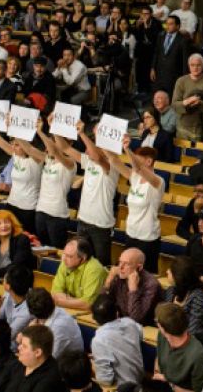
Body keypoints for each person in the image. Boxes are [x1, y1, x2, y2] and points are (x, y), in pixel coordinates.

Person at [54, 120, 119, 264]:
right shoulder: (88, 161)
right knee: (79, 262)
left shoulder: (111, 166)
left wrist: (82, 133)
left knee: (101, 265)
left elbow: (97, 157)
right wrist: (54, 127)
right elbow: (64, 147)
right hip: (83, 220)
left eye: (93, 145)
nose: (87, 149)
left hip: (101, 225)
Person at [107, 139, 164, 271]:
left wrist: (127, 149)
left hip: (147, 238)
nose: (133, 163)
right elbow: (114, 160)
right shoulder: (135, 177)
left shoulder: (158, 181)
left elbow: (137, 167)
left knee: (145, 275)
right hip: (131, 234)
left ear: (149, 161)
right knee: (127, 271)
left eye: (136, 159)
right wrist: (101, 139)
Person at [152, 302, 203, 392]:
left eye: (157, 322)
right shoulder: (162, 336)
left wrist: (170, 383)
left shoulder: (197, 354)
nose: (156, 323)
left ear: (164, 329)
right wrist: (157, 371)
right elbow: (159, 356)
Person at [89, 295, 144, 387]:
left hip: (121, 388)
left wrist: (93, 365)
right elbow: (139, 334)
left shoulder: (99, 340)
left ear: (95, 319)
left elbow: (106, 380)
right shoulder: (130, 323)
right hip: (139, 381)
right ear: (117, 313)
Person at [51, 236, 108, 311]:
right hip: (73, 309)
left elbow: (87, 304)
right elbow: (55, 293)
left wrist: (61, 301)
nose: (64, 259)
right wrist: (77, 302)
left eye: (69, 256)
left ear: (83, 258)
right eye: (64, 254)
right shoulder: (65, 263)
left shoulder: (94, 270)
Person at [173, 53, 203, 142]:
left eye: (198, 65)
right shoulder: (181, 81)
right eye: (192, 65)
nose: (195, 68)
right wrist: (186, 102)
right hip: (183, 127)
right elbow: (174, 105)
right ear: (189, 66)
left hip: (201, 127)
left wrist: (200, 103)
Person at [164, 256, 203, 340]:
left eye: (171, 271)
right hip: (171, 337)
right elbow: (163, 318)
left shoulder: (198, 297)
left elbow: (193, 329)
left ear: (179, 276)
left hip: (190, 342)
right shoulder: (171, 290)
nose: (167, 271)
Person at [26, 287, 83, 358]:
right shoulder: (50, 311)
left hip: (68, 364)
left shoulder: (58, 327)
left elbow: (48, 359)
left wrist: (32, 334)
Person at [0, 209, 35, 280]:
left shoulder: (22, 239)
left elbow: (16, 265)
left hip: (17, 280)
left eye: (6, 222)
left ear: (12, 224)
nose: (3, 226)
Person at [10, 325, 66, 392]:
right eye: (21, 344)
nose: (19, 347)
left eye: (24, 346)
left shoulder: (49, 380)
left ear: (37, 352)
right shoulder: (20, 362)